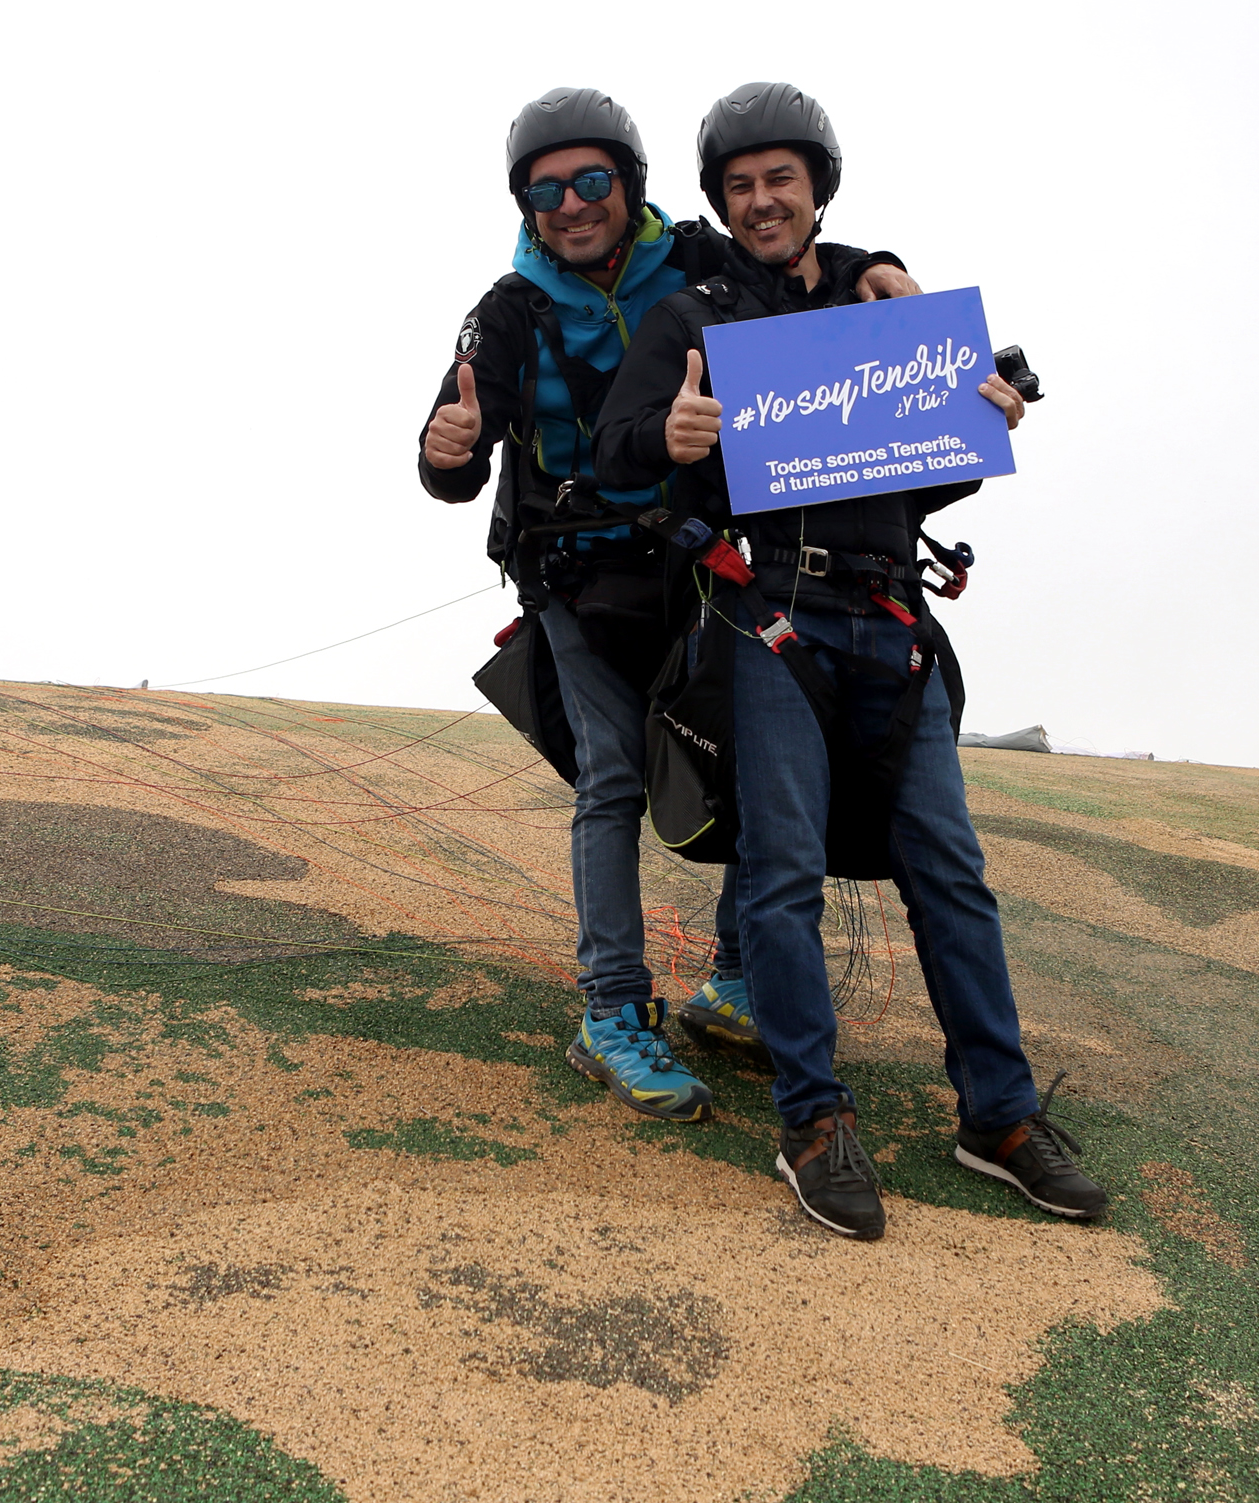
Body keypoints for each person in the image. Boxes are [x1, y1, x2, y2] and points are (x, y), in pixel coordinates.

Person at [595, 80, 1104, 1242]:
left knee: (951, 871)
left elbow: (922, 472)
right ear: (721, 203)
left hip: (894, 616)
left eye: (781, 178)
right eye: (739, 185)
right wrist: (664, 439)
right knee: (781, 876)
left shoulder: (890, 310)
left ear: (818, 186)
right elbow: (622, 441)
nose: (762, 199)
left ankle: (1001, 1113)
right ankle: (811, 1118)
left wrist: (985, 415)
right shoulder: (696, 312)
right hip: (768, 610)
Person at [417, 87, 916, 1125]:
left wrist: (873, 261)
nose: (571, 203)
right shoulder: (510, 308)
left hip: (704, 563)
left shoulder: (693, 259)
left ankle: (737, 979)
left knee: (756, 759)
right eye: (546, 189)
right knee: (612, 781)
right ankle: (608, 1007)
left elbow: (792, 260)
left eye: (591, 179)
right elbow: (459, 439)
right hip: (575, 573)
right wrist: (443, 452)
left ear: (628, 184)